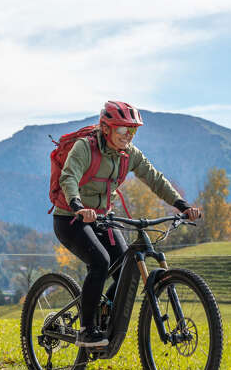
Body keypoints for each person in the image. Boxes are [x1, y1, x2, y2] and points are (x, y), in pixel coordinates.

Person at [52, 101, 200, 347]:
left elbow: (154, 178)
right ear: (105, 128)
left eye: (132, 131)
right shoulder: (84, 148)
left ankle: (103, 313)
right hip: (71, 217)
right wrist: (77, 206)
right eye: (122, 130)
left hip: (104, 217)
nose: (128, 136)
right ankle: (88, 330)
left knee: (125, 270)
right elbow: (69, 177)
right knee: (100, 262)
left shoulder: (129, 153)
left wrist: (181, 204)